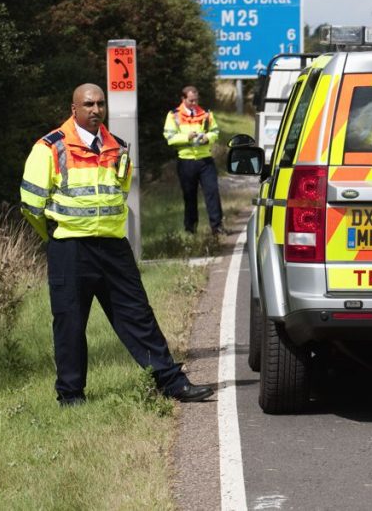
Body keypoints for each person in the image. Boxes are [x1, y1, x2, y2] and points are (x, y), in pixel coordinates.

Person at [20, 83, 213, 406]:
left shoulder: (118, 147)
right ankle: (71, 395)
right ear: (74, 109)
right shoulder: (49, 147)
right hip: (70, 248)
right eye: (88, 104)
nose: (96, 110)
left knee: (138, 316)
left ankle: (171, 382)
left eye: (100, 104)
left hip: (112, 247)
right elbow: (30, 205)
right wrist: (54, 236)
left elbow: (119, 194)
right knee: (69, 322)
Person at [163, 85, 225, 235]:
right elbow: (169, 138)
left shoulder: (206, 114)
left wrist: (207, 138)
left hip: (205, 160)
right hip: (186, 161)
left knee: (212, 192)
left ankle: (217, 227)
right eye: (191, 101)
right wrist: (187, 137)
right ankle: (191, 229)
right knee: (189, 196)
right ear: (183, 99)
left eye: (196, 100)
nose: (194, 103)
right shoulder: (174, 116)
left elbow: (215, 132)